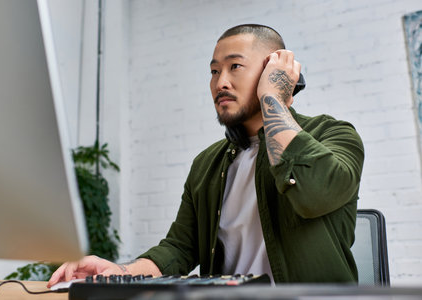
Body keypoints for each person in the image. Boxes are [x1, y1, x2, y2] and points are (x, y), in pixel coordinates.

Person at [48, 24, 364, 287]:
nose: (220, 82)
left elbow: (314, 194)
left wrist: (274, 98)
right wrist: (120, 272)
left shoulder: (335, 135)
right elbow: (180, 247)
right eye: (214, 71)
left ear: (273, 70)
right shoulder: (207, 164)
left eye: (234, 67)